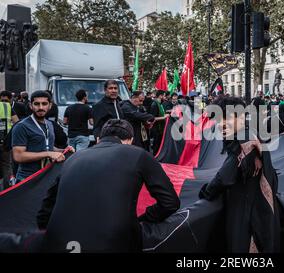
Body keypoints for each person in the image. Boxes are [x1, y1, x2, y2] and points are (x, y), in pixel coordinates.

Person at [37, 119, 180, 252]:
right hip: (113, 242)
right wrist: (142, 219)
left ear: (99, 139)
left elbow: (45, 210)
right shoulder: (139, 154)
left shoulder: (74, 158)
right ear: (130, 140)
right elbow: (170, 203)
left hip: (58, 241)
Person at [199, 96, 279, 253]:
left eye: (226, 118)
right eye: (218, 119)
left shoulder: (245, 138)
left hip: (250, 215)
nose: (221, 124)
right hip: (254, 209)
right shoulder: (248, 133)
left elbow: (224, 177)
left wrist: (205, 192)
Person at [11, 91, 72, 182]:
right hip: (27, 179)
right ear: (31, 106)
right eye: (36, 104)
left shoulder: (49, 124)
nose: (40, 107)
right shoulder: (22, 126)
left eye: (44, 104)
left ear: (50, 106)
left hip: (46, 177)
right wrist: (48, 154)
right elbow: (18, 156)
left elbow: (47, 146)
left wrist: (63, 151)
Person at [0, 91, 19, 190]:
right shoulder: (7, 107)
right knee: (6, 165)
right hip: (5, 141)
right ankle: (7, 190)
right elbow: (17, 122)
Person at [149, 90, 169, 154]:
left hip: (160, 128)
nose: (165, 97)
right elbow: (152, 118)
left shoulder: (160, 104)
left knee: (159, 144)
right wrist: (164, 117)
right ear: (160, 96)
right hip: (156, 129)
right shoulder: (154, 104)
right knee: (156, 145)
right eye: (164, 95)